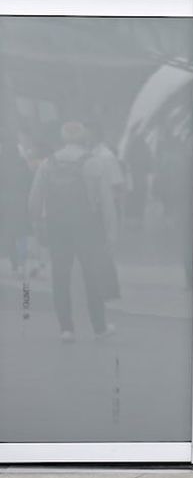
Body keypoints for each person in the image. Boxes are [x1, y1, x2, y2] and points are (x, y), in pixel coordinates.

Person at [28, 122, 119, 341]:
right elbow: (107, 202)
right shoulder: (94, 163)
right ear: (84, 138)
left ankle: (66, 328)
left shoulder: (48, 163)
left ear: (62, 139)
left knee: (60, 276)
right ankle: (99, 327)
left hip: (57, 227)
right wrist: (111, 232)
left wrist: (37, 224)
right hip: (88, 227)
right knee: (91, 276)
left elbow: (34, 199)